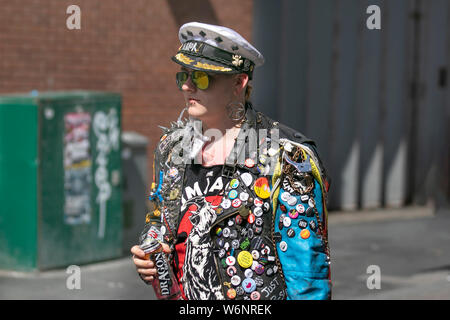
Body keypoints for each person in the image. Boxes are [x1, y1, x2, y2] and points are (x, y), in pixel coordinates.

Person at [131, 22, 331, 300]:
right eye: (183, 76)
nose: (187, 86)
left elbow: (307, 276)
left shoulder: (285, 157)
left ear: (239, 83)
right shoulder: (171, 148)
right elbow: (161, 219)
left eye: (201, 77)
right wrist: (151, 247)